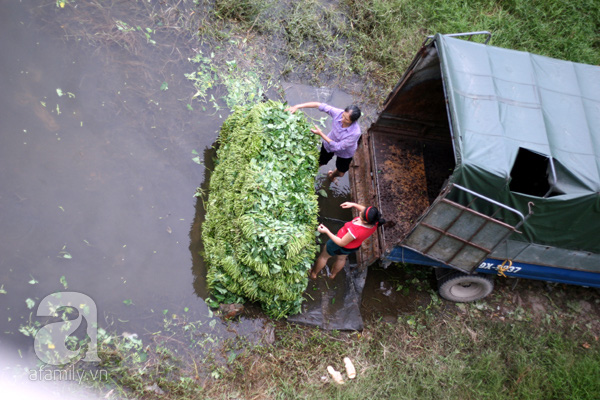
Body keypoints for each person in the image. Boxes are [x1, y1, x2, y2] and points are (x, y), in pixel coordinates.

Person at [285, 102, 361, 183]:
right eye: (343, 116)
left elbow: (338, 146)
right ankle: (310, 174)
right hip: (328, 145)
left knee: (341, 173)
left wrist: (320, 134)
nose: (342, 119)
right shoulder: (338, 113)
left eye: (346, 119)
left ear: (353, 121)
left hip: (345, 152)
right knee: (320, 162)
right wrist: (297, 106)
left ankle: (331, 175)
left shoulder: (355, 133)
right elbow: (318, 105)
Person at [311, 202, 385, 279]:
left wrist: (327, 231)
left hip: (339, 244)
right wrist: (353, 205)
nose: (360, 211)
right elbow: (364, 210)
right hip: (352, 247)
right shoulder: (375, 221)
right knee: (341, 258)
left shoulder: (355, 231)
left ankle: (313, 273)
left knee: (324, 257)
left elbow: (341, 243)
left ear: (365, 221)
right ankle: (332, 275)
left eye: (361, 214)